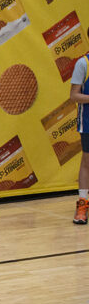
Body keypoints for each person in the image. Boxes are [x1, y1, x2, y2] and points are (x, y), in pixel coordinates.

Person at [69, 52, 89, 224]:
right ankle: (82, 204)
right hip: (88, 121)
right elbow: (74, 95)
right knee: (87, 162)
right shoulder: (83, 63)